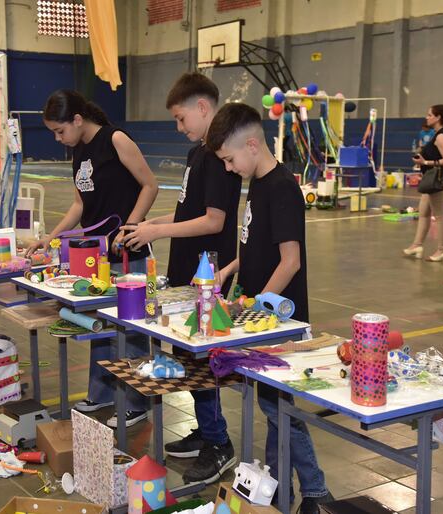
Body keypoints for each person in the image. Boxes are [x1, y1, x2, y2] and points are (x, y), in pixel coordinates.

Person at [206, 103, 333, 514]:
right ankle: (281, 491)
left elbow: (290, 261)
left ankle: (314, 490)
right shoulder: (257, 182)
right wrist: (229, 268)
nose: (228, 168)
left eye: (229, 159)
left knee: (280, 408)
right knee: (274, 407)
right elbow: (257, 246)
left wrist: (256, 310)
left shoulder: (280, 188)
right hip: (265, 317)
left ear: (252, 144)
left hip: (282, 320)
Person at [122, 72, 242, 485]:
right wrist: (146, 223)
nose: (179, 126)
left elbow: (213, 221)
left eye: (180, 117)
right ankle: (207, 429)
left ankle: (218, 444)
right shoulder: (197, 155)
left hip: (209, 275)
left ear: (202, 108)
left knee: (202, 361)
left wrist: (156, 232)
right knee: (188, 358)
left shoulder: (219, 158)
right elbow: (186, 211)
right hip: (185, 272)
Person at [25, 89, 158, 427]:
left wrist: (129, 228)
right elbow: (80, 205)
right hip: (96, 254)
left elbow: (149, 186)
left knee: (131, 328)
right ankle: (100, 395)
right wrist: (51, 237)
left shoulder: (115, 140)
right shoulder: (78, 151)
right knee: (98, 321)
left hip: (127, 253)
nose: (58, 138)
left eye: (60, 131)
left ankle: (136, 402)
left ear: (78, 119)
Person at [404, 104, 443, 262]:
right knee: (423, 212)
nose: (427, 117)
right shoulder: (437, 134)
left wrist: (425, 161)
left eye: (429, 115)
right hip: (432, 180)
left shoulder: (442, 136)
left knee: (440, 215)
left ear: (438, 117)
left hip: (441, 180)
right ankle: (417, 245)